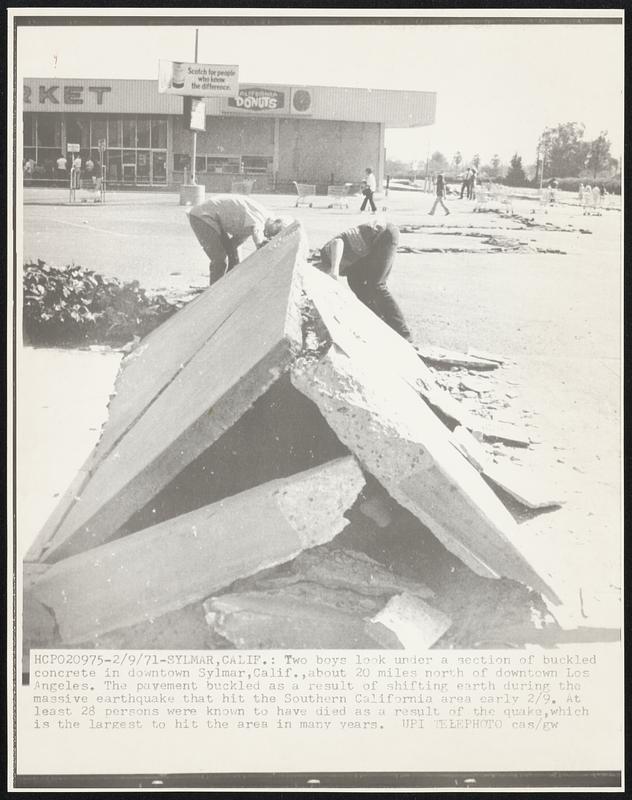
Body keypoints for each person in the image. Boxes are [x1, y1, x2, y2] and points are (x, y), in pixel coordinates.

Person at [318, 221, 413, 341]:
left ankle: (404, 334)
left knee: (377, 284)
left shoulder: (326, 257)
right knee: (355, 282)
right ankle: (380, 324)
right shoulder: (344, 267)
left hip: (384, 235)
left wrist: (335, 269)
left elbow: (338, 242)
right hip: (369, 248)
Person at [188, 194, 292, 285]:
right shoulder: (261, 217)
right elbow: (257, 231)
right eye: (274, 232)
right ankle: (213, 296)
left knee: (233, 257)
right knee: (220, 259)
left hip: (212, 218)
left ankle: (226, 288)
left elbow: (233, 245)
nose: (270, 236)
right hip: (202, 216)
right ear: (275, 221)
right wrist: (260, 244)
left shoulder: (250, 223)